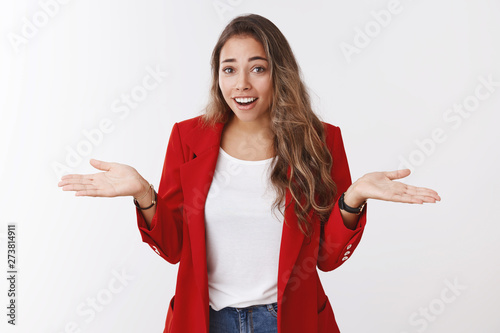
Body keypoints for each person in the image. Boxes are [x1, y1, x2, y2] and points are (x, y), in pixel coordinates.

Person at [58, 13, 440, 333]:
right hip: (206, 321)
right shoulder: (187, 137)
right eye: (230, 69)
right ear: (218, 77)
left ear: (279, 73)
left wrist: (352, 200)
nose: (242, 83)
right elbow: (174, 249)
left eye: (258, 68)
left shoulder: (320, 140)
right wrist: (144, 195)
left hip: (288, 321)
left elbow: (325, 258)